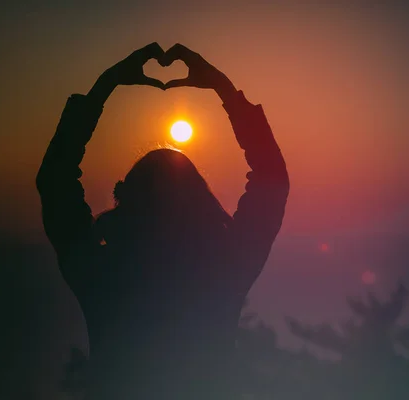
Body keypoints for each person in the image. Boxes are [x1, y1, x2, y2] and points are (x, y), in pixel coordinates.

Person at [36, 42, 290, 400]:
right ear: (200, 202)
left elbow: (56, 181)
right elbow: (271, 180)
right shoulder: (227, 269)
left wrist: (104, 87)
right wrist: (223, 89)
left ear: (127, 203)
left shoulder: (100, 273)